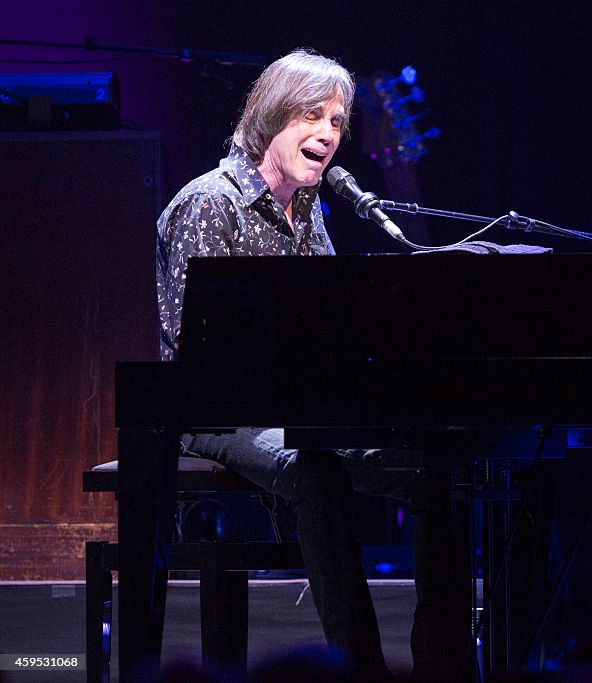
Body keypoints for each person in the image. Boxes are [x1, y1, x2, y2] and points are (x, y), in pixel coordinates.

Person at [156, 49, 469, 681]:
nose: (327, 133)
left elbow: (328, 327)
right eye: (311, 115)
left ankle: (443, 665)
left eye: (336, 119)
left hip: (294, 407)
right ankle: (358, 670)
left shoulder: (311, 211)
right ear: (271, 118)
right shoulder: (209, 204)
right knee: (315, 469)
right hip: (213, 411)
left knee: (432, 470)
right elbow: (196, 346)